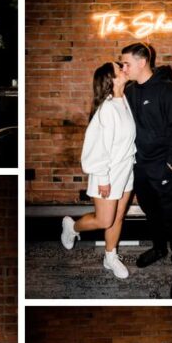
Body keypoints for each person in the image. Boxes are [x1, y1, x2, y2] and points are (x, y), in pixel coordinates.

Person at [119, 42, 172, 298]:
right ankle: (159, 249)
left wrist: (170, 166)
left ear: (142, 62)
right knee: (152, 214)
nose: (123, 67)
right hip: (140, 169)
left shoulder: (169, 91)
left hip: (163, 170)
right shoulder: (129, 91)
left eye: (126, 63)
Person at [61, 62, 136, 279]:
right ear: (110, 80)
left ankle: (110, 257)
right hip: (107, 174)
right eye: (119, 68)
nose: (124, 68)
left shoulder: (124, 101)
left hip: (125, 171)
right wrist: (103, 178)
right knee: (105, 220)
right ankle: (72, 227)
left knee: (118, 217)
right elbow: (95, 150)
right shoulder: (106, 110)